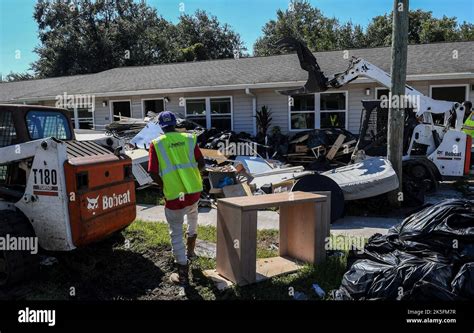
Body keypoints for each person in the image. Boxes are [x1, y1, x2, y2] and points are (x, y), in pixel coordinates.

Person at [148, 111, 205, 285]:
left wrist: (164, 185)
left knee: (175, 232)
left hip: (174, 196)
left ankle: (182, 274)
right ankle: (191, 252)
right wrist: (193, 176)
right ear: (175, 123)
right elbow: (201, 163)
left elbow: (152, 172)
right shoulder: (189, 138)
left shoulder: (156, 144)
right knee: (193, 218)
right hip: (193, 191)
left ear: (160, 126)